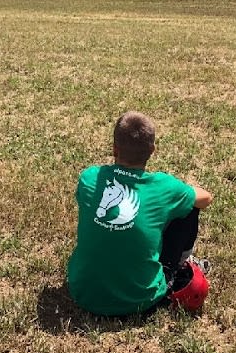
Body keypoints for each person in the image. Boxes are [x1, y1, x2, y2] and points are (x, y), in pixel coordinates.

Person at [67, 111, 214, 317]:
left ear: (114, 148)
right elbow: (206, 198)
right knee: (190, 207)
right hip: (141, 299)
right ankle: (180, 265)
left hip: (82, 292)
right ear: (152, 150)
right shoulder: (165, 187)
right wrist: (181, 189)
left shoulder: (89, 177)